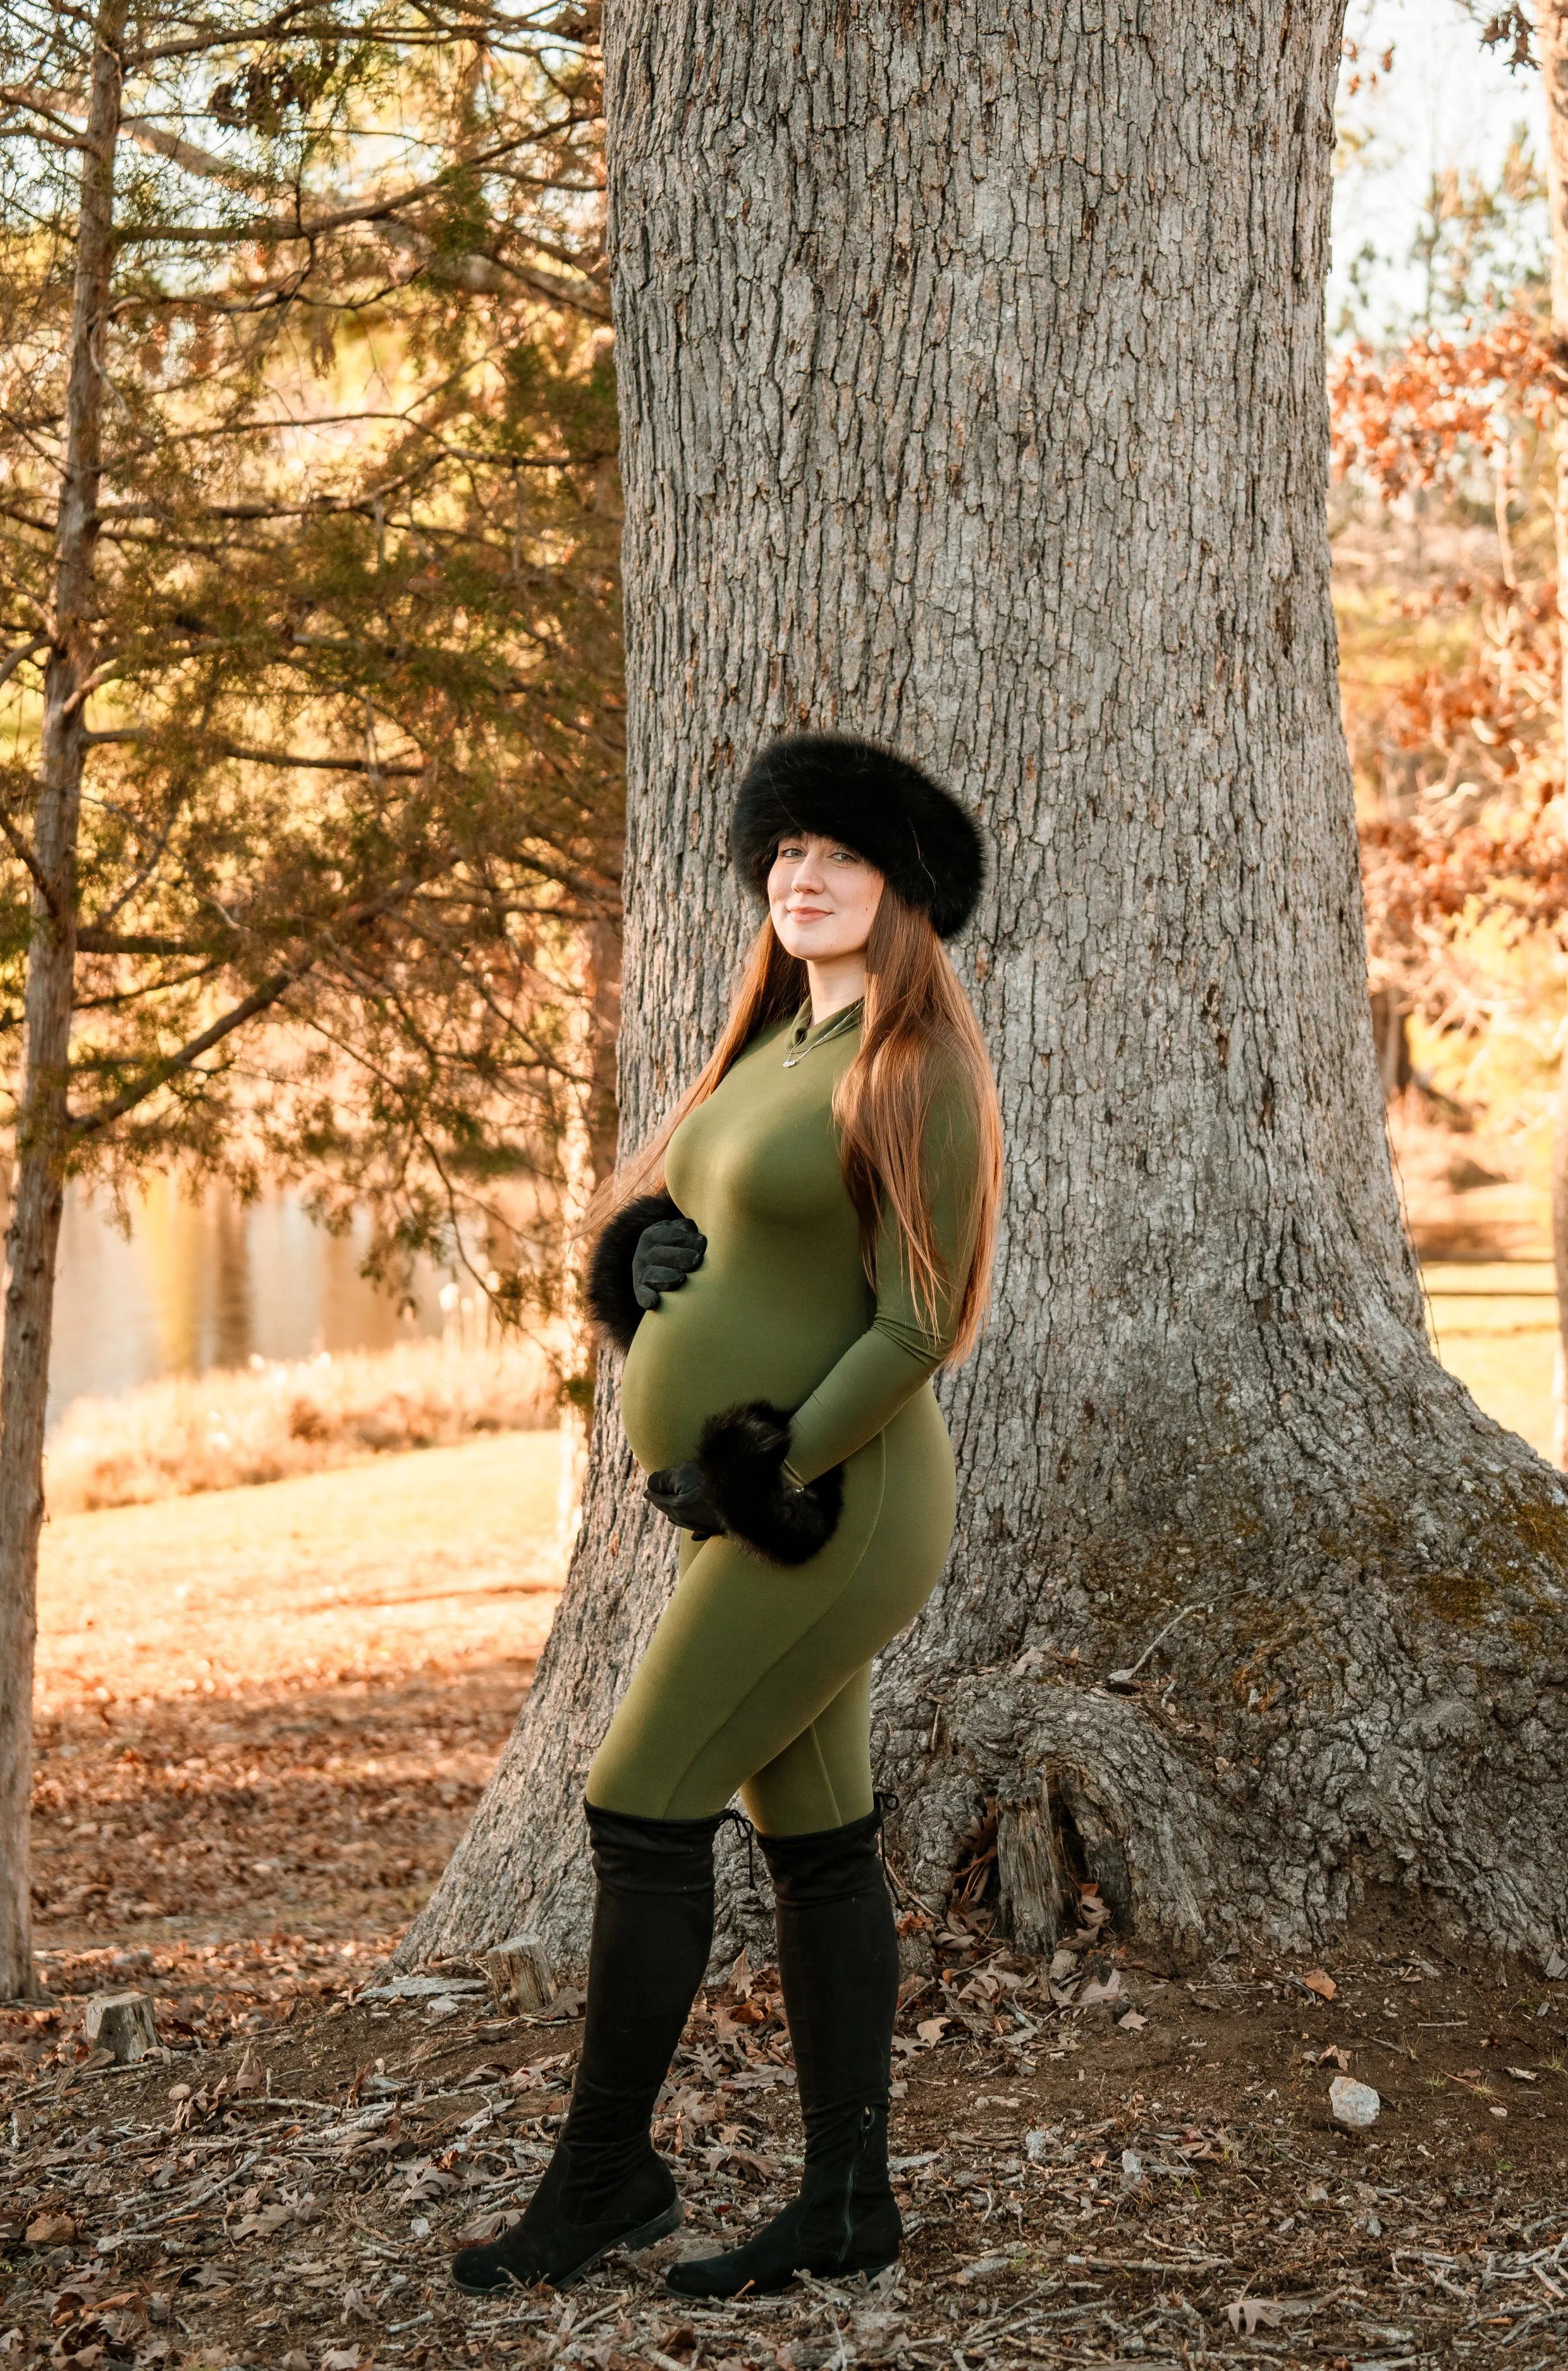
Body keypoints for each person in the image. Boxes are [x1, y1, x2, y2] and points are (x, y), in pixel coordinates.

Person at [451, 732, 1003, 2301]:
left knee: (639, 1800)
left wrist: (766, 1469)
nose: (800, 877)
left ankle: (604, 2181)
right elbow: (721, 1221)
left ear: (901, 886)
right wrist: (636, 1263)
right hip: (764, 1508)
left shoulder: (914, 1065)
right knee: (817, 1844)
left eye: (838, 854)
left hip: (836, 1509)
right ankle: (844, 2206)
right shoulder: (769, 1041)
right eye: (784, 852)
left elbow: (917, 1325)